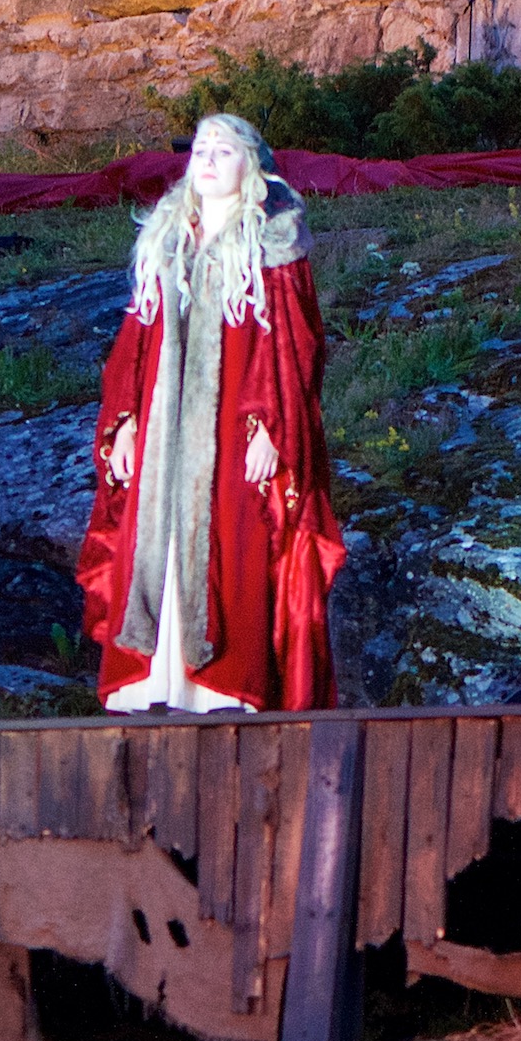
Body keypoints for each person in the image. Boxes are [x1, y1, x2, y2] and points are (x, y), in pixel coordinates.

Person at [76, 113, 345, 713]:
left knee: (234, 540)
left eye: (223, 152)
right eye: (201, 151)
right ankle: (157, 681)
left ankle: (223, 684)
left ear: (251, 165)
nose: (208, 161)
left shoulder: (273, 244)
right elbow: (136, 342)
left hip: (238, 426)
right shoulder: (167, 238)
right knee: (158, 538)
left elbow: (295, 346)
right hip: (162, 433)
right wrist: (125, 424)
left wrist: (274, 430)